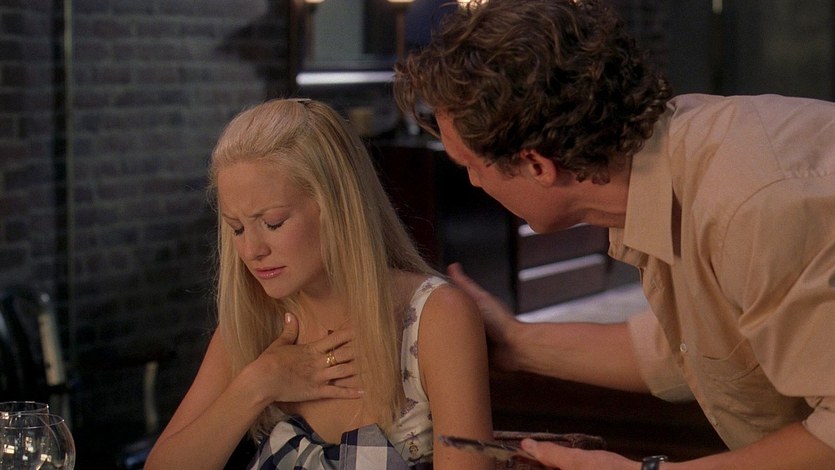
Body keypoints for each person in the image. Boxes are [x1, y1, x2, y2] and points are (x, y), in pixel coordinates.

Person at [393, 0, 835, 468]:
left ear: (537, 164)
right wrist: (515, 342)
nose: (474, 183)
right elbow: (699, 349)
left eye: (471, 165)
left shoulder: (750, 206)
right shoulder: (669, 166)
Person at [145, 99, 493, 469]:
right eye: (237, 228)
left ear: (339, 206)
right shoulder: (253, 324)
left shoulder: (435, 317)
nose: (251, 250)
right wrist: (257, 385)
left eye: (273, 223)